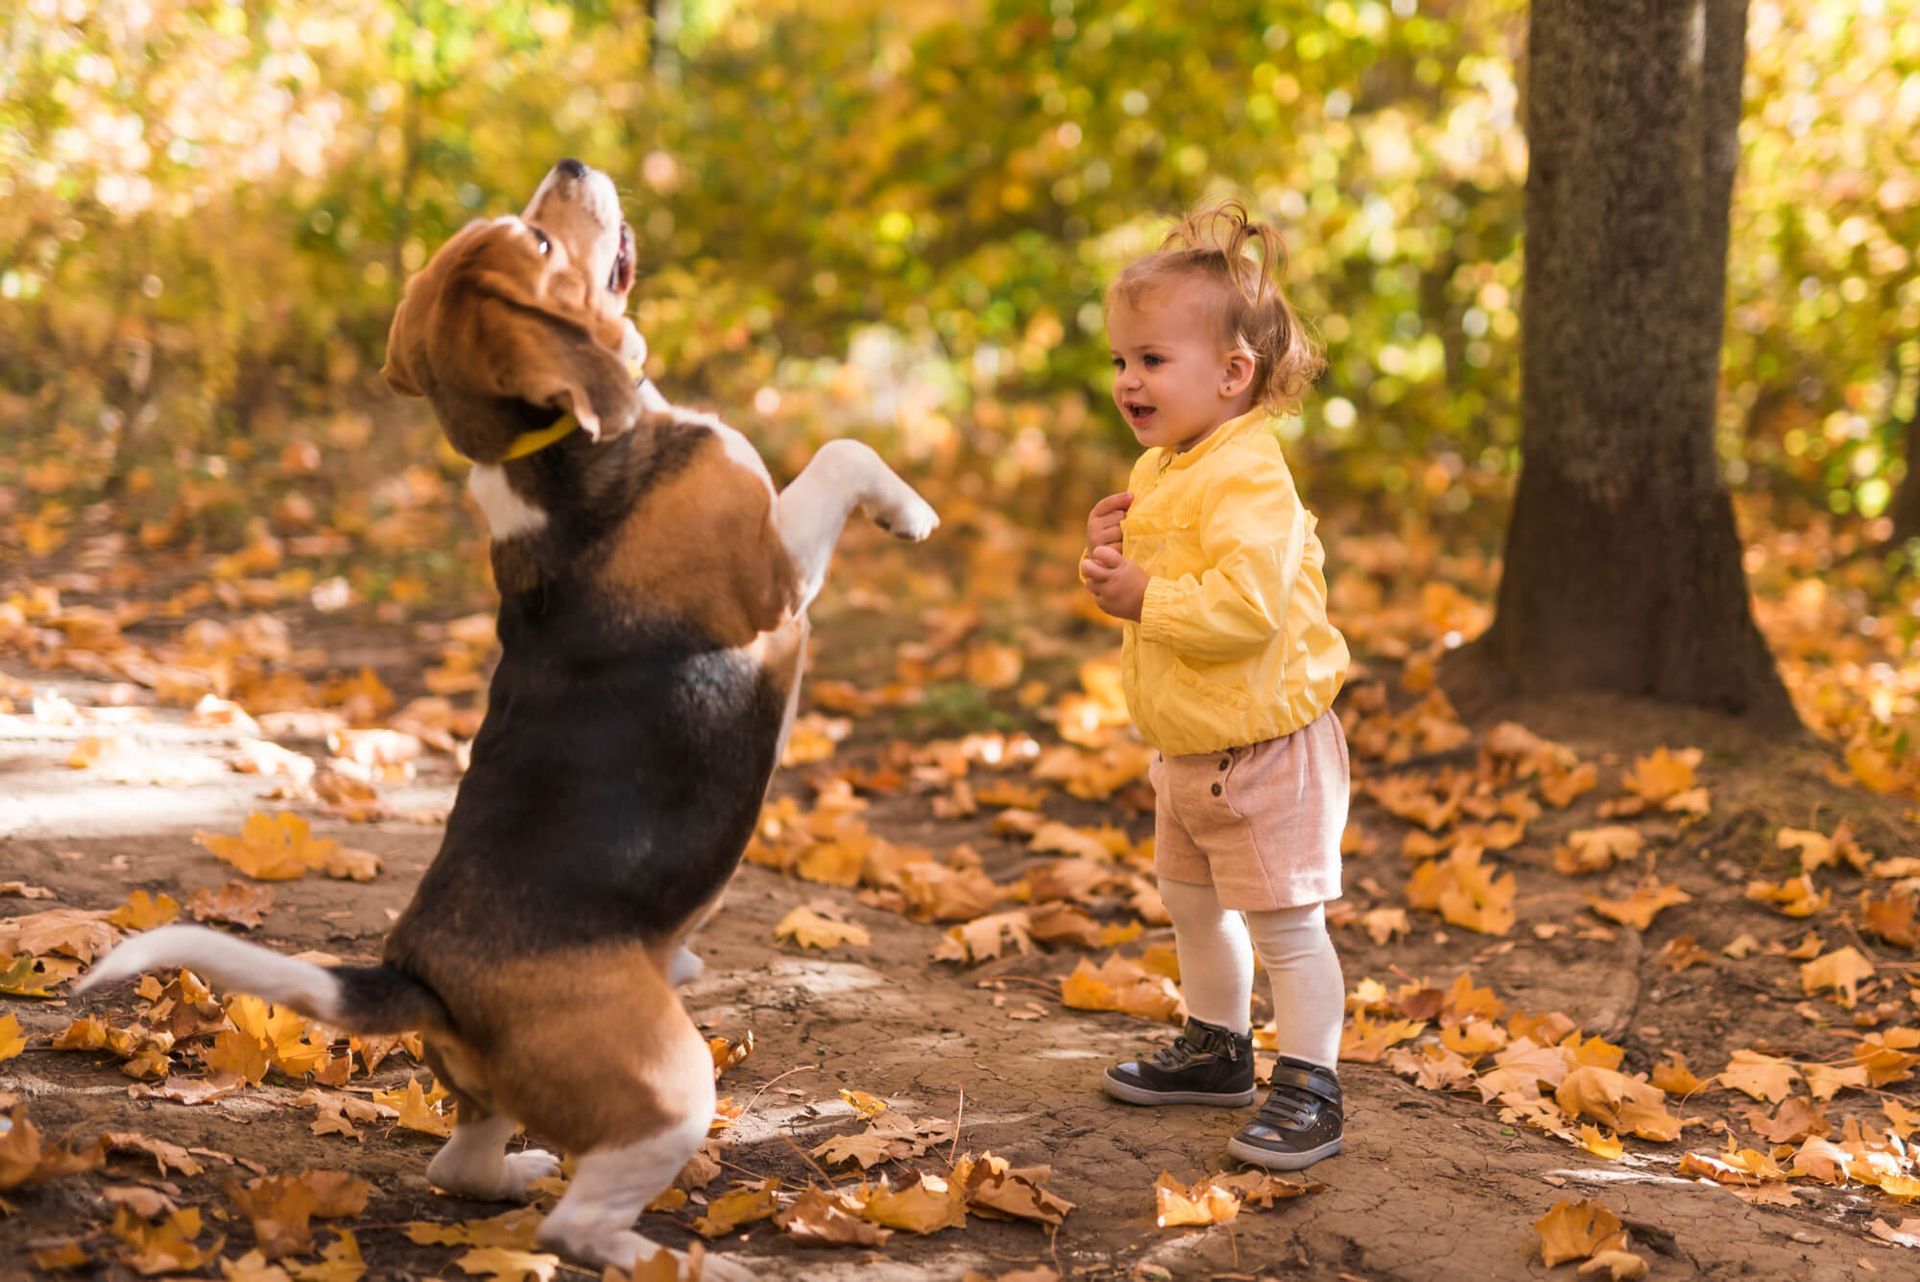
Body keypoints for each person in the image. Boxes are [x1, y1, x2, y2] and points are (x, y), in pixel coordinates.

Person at [1080, 199, 1351, 1170]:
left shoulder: (1252, 475)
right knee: (1192, 903)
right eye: (1121, 359)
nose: (1128, 379)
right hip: (1192, 749)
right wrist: (1110, 568)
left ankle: (1312, 1084)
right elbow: (1160, 593)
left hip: (1268, 750)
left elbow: (1245, 606)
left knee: (1287, 923)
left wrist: (1144, 593)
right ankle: (1217, 1047)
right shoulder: (1166, 465)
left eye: (1152, 359)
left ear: (1234, 374)